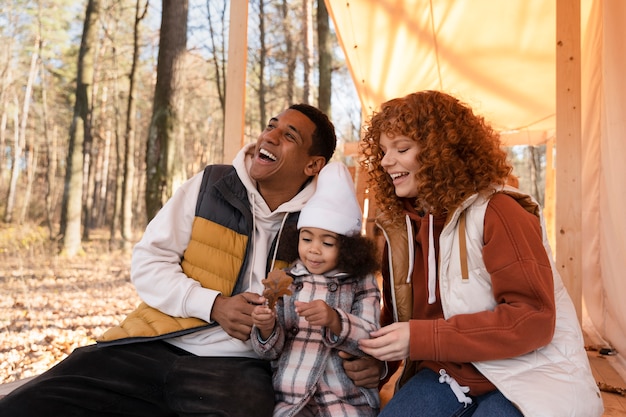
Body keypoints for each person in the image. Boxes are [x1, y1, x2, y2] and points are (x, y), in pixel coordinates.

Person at [0, 104, 379, 417]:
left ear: (312, 166)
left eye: (289, 135)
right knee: (25, 406)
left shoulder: (323, 223)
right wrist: (212, 305)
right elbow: (148, 262)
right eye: (271, 126)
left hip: (239, 367)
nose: (269, 136)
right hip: (151, 342)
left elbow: (351, 300)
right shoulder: (211, 185)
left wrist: (371, 363)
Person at [357, 90, 604, 416]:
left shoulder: (500, 212)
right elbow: (401, 319)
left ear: (440, 152)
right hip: (442, 372)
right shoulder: (402, 230)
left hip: (521, 372)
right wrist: (379, 365)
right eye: (383, 151)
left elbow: (533, 320)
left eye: (401, 149)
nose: (387, 161)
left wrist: (422, 336)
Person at [250, 161, 381, 417]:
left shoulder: (361, 281)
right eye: (306, 238)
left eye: (328, 242)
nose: (314, 249)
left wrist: (335, 320)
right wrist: (266, 328)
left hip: (344, 397)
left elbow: (370, 338)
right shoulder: (284, 279)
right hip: (292, 395)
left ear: (347, 247)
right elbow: (272, 351)